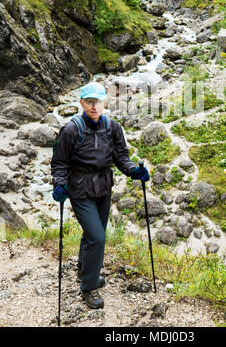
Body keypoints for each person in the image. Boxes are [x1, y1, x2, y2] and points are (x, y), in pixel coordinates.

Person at [51, 81, 150, 309]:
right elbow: (59, 163)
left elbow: (121, 157)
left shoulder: (112, 127)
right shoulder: (71, 129)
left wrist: (135, 171)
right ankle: (89, 287)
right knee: (97, 236)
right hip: (80, 189)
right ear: (81, 103)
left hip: (103, 188)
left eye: (98, 101)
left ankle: (85, 272)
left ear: (105, 102)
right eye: (89, 102)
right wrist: (59, 184)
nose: (94, 106)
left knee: (92, 234)